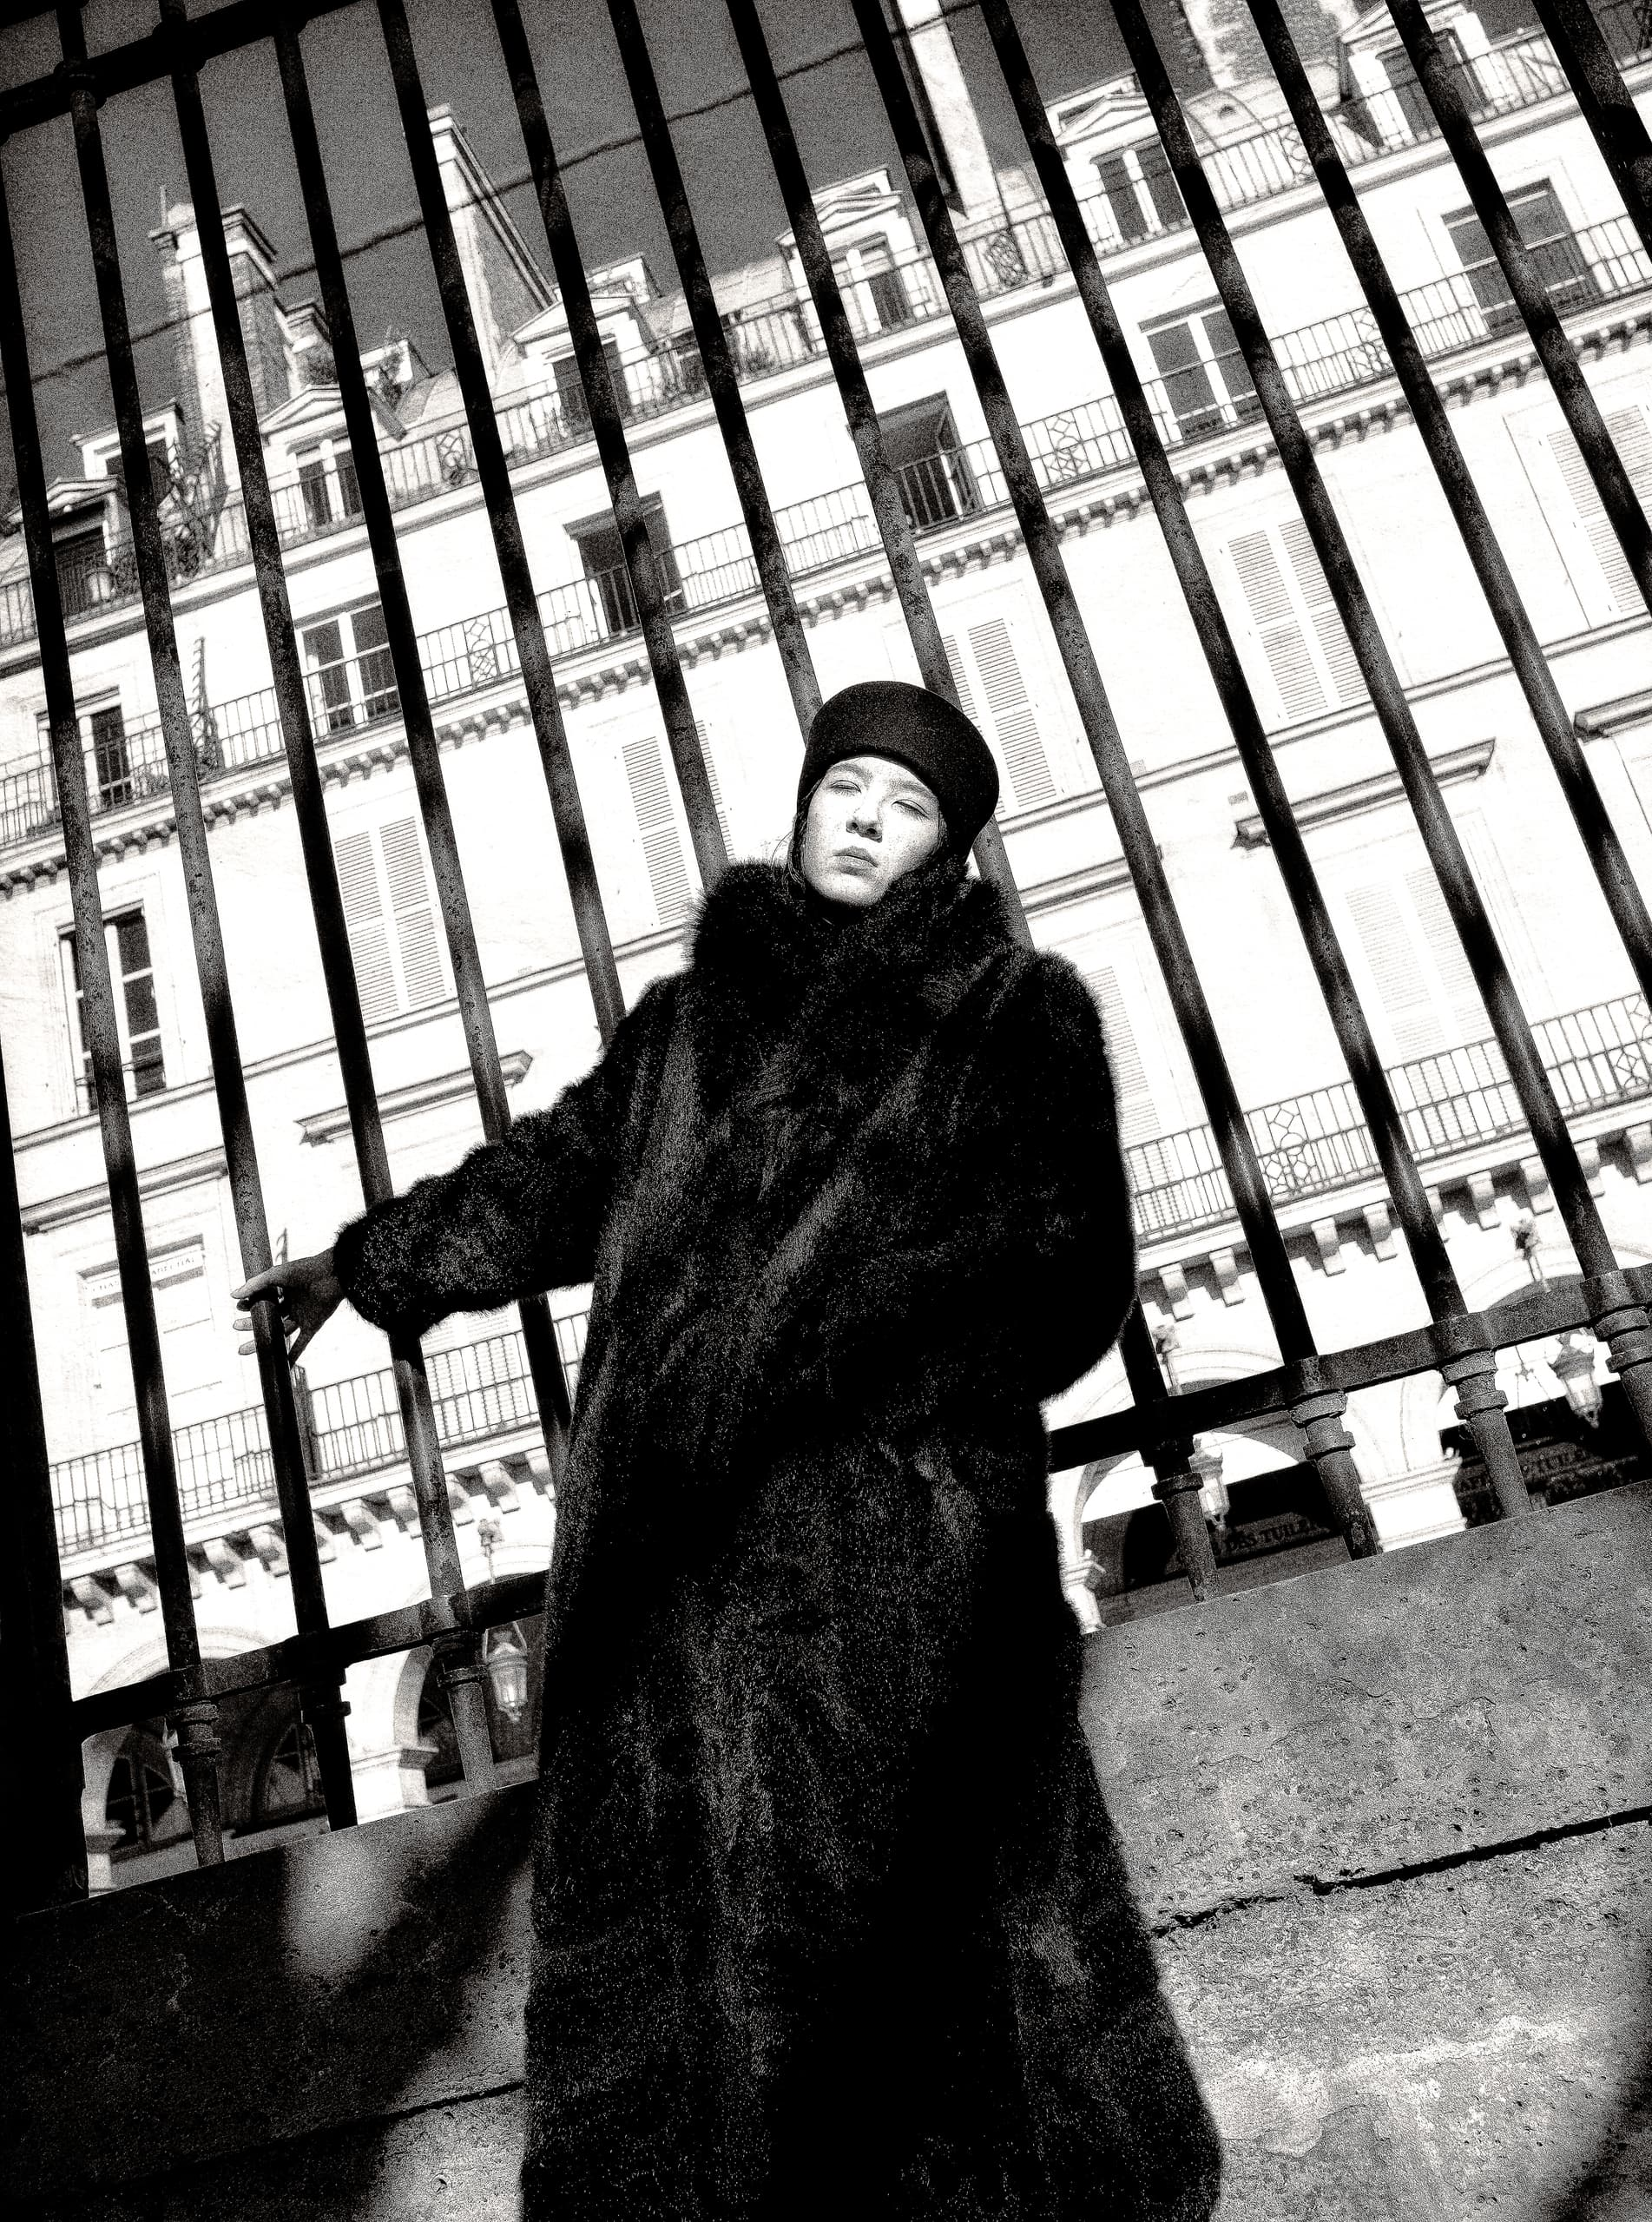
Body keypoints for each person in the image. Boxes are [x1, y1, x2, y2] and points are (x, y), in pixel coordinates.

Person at [236, 679, 1221, 2220]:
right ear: (804, 802)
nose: (867, 824)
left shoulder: (1018, 1020)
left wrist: (879, 1395)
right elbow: (553, 1172)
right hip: (668, 1597)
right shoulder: (693, 1022)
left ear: (946, 854)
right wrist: (373, 1263)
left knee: (940, 1971)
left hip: (893, 1575)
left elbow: (1070, 1268)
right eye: (848, 790)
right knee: (679, 2000)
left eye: (907, 812)